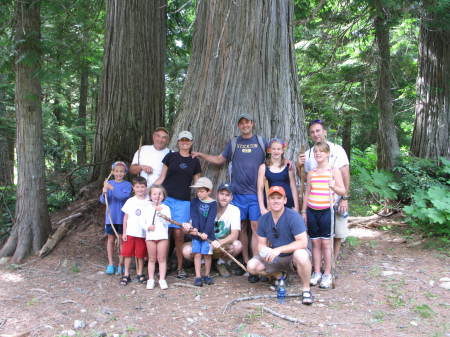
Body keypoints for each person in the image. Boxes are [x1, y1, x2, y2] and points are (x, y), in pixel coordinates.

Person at [193, 113, 267, 283]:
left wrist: (290, 163)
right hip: (238, 194)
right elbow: (219, 160)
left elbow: (274, 157)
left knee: (256, 228)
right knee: (240, 226)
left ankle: (256, 261)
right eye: (241, 123)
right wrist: (201, 155)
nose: (245, 125)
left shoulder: (262, 142)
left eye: (247, 122)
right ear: (239, 126)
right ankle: (247, 261)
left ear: (252, 123)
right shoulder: (234, 143)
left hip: (256, 195)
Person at [247, 186, 314, 305]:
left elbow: (303, 242)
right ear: (268, 201)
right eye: (272, 198)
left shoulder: (293, 216)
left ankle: (306, 289)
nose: (276, 201)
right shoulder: (263, 219)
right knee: (251, 266)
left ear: (285, 200)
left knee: (301, 255)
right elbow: (261, 244)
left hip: (292, 255)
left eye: (279, 198)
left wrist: (278, 250)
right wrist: (265, 252)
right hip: (276, 256)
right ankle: (279, 275)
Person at [297, 119, 350, 261]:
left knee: (337, 233)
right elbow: (306, 180)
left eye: (318, 130)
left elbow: (345, 174)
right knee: (318, 236)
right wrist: (299, 166)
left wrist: (345, 198)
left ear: (324, 132)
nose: (315, 134)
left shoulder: (337, 150)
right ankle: (319, 265)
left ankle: (331, 264)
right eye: (312, 132)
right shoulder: (309, 154)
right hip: (317, 203)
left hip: (336, 199)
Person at [154, 130, 201, 279]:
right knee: (164, 233)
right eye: (182, 140)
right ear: (178, 142)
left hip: (183, 201)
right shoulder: (171, 156)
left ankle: (180, 267)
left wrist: (202, 199)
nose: (185, 143)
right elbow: (162, 178)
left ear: (191, 143)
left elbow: (197, 183)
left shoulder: (194, 161)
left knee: (179, 234)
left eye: (187, 140)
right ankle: (163, 264)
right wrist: (149, 193)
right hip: (167, 199)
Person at [302, 142, 346, 289]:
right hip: (312, 210)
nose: (318, 154)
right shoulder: (311, 172)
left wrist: (333, 186)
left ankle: (327, 273)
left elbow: (342, 191)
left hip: (326, 211)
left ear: (327, 154)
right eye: (316, 152)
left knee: (326, 243)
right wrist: (303, 211)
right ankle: (316, 272)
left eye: (321, 151)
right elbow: (307, 192)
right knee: (314, 242)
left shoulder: (333, 171)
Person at [183, 183, 242, 278]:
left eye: (227, 195)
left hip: (220, 245)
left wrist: (220, 242)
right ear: (217, 194)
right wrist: (187, 226)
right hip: (204, 241)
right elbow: (192, 226)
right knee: (186, 250)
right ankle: (202, 263)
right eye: (222, 194)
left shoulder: (235, 210)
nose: (224, 197)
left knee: (237, 245)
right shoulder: (206, 205)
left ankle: (221, 262)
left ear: (231, 198)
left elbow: (234, 235)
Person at [99, 161, 132, 275]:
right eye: (116, 171)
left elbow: (123, 196)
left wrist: (111, 187)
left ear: (125, 173)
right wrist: (104, 192)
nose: (119, 173)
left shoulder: (127, 185)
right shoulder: (109, 183)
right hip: (110, 218)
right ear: (113, 172)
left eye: (121, 171)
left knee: (122, 242)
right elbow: (103, 201)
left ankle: (121, 265)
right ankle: (110, 264)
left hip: (122, 219)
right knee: (111, 240)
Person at [185, 177, 218, 287]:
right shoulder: (194, 202)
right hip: (196, 234)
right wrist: (195, 229)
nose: (199, 193)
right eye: (198, 191)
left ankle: (207, 275)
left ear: (209, 191)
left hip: (208, 235)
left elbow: (211, 219)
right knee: (197, 254)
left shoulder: (213, 204)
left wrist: (206, 233)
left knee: (207, 255)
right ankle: (198, 276)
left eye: (202, 191)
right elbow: (194, 216)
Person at [120, 176, 149, 286]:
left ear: (146, 188)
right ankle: (126, 274)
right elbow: (125, 218)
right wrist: (124, 232)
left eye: (142, 187)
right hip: (130, 232)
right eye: (137, 187)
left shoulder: (148, 201)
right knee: (127, 254)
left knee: (140, 255)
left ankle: (140, 273)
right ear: (133, 188)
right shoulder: (130, 201)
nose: (140, 189)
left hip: (142, 233)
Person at [257, 138, 299, 215]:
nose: (276, 151)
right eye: (273, 149)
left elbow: (293, 187)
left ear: (282, 150)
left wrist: (296, 207)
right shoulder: (263, 167)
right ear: (269, 150)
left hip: (288, 204)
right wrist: (262, 208)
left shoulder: (288, 166)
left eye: (279, 149)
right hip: (272, 205)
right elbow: (260, 189)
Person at [143, 184, 171, 290]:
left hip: (162, 236)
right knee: (152, 259)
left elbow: (167, 222)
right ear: (150, 195)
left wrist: (160, 211)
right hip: (150, 237)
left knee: (162, 258)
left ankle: (162, 279)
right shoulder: (147, 207)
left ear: (163, 196)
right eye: (154, 194)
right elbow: (142, 222)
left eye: (159, 194)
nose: (157, 196)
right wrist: (147, 227)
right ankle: (150, 279)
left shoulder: (166, 208)